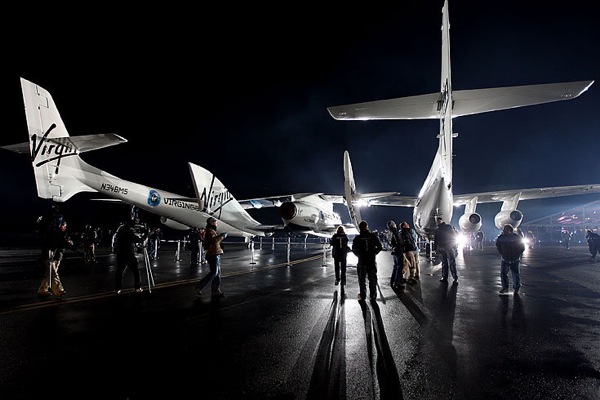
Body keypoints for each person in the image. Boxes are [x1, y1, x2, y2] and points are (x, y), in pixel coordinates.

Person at [37, 220, 77, 298]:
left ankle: (42, 290)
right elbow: (63, 243)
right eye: (64, 225)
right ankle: (58, 290)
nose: (65, 227)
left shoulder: (60, 234)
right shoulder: (56, 234)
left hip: (56, 257)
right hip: (51, 257)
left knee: (49, 274)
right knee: (54, 273)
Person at [114, 215, 148, 294]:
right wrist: (145, 235)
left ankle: (117, 288)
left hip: (120, 254)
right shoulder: (129, 232)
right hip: (129, 254)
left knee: (120, 271)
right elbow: (139, 240)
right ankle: (137, 287)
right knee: (136, 271)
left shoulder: (121, 231)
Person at [195, 217, 227, 297]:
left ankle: (215, 291)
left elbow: (214, 241)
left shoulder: (212, 231)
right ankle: (199, 286)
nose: (217, 224)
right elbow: (214, 240)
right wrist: (222, 236)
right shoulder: (210, 231)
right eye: (215, 222)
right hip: (213, 254)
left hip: (215, 253)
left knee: (218, 274)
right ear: (212, 223)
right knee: (214, 272)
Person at [352, 220, 383, 301]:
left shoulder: (357, 238)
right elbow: (380, 247)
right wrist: (374, 253)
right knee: (372, 278)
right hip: (371, 260)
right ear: (367, 226)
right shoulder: (373, 236)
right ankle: (373, 294)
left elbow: (354, 249)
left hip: (362, 260)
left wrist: (359, 255)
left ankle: (363, 294)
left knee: (362, 279)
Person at [495, 224, 525, 295]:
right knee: (512, 273)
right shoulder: (516, 237)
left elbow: (522, 248)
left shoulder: (502, 237)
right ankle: (513, 288)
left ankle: (510, 287)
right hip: (509, 258)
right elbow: (522, 247)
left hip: (510, 258)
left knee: (508, 273)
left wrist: (503, 253)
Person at [434, 217, 458, 283]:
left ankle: (455, 277)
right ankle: (445, 277)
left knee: (451, 263)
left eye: (439, 220)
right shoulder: (438, 230)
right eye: (437, 221)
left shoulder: (448, 227)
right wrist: (435, 248)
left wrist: (454, 246)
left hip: (448, 247)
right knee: (445, 263)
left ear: (442, 220)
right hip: (442, 248)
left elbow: (453, 236)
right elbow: (435, 240)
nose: (438, 222)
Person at [387, 220, 405, 290]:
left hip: (394, 251)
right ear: (393, 225)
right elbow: (399, 242)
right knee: (399, 267)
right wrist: (402, 245)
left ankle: (393, 281)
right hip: (398, 251)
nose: (395, 224)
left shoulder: (389, 232)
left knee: (395, 267)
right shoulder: (395, 232)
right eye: (394, 224)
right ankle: (398, 282)